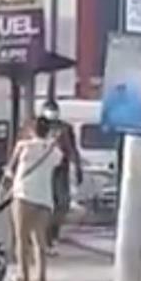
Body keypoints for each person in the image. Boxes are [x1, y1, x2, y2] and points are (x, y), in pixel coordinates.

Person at [3, 117, 63, 281]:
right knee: (40, 240)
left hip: (24, 195)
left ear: (31, 130)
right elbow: (59, 164)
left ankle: (24, 276)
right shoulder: (54, 151)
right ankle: (41, 277)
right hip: (44, 198)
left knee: (21, 238)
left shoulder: (23, 147)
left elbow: (9, 170)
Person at [41, 101, 82, 253]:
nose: (52, 113)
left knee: (62, 203)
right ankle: (45, 238)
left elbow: (72, 149)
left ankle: (52, 233)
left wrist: (77, 168)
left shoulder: (65, 128)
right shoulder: (38, 126)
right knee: (45, 205)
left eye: (54, 110)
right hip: (43, 171)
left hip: (60, 170)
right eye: (49, 110)